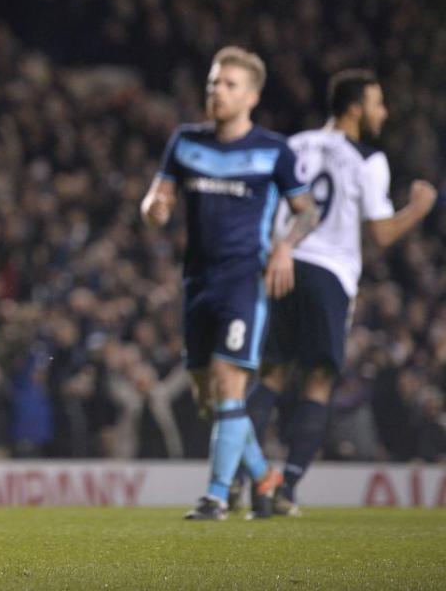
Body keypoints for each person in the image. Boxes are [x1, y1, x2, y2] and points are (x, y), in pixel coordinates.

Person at [140, 46, 318, 521]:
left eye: (229, 84)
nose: (216, 91)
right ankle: (264, 477)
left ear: (252, 96)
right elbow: (156, 198)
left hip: (245, 282)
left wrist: (284, 246)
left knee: (228, 383)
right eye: (213, 82)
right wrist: (154, 210)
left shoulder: (273, 150)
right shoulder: (184, 141)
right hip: (196, 284)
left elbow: (309, 211)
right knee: (208, 398)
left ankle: (218, 496)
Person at [248, 69, 437, 515]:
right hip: (328, 271)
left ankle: (247, 477)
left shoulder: (294, 145)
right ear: (355, 107)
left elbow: (268, 209)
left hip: (281, 264)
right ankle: (286, 488)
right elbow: (383, 234)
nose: (383, 112)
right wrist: (418, 209)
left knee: (271, 376)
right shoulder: (368, 159)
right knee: (318, 381)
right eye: (377, 103)